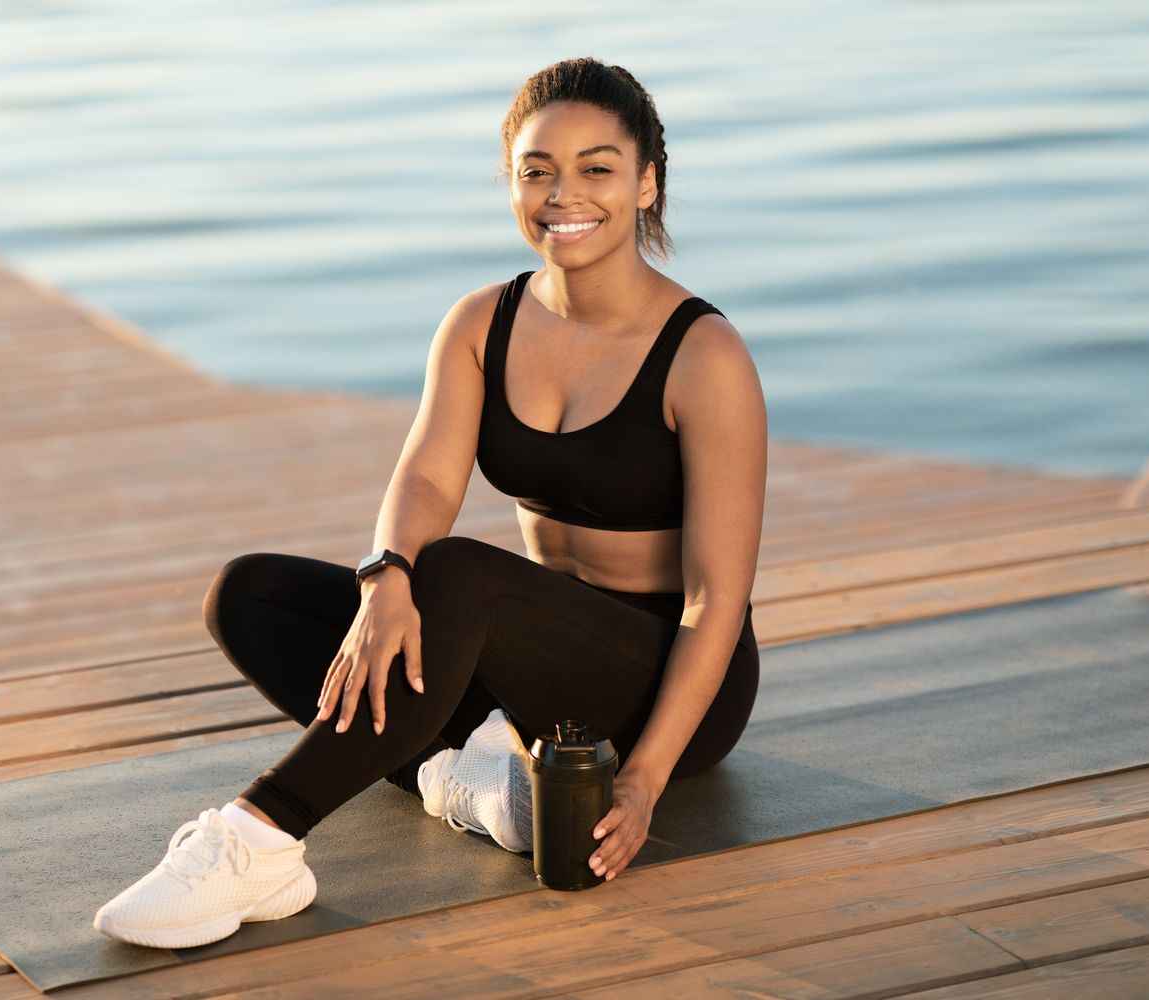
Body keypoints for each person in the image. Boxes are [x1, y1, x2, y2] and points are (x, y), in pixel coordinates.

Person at [93, 55, 767, 950]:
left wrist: (640, 781)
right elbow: (425, 479)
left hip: (666, 684)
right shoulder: (480, 324)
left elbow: (714, 601)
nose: (564, 195)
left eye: (597, 168)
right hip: (530, 673)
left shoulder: (704, 355)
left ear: (647, 184)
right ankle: (478, 782)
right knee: (252, 594)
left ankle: (259, 839)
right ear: (512, 183)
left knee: (457, 574)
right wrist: (384, 578)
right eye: (537, 171)